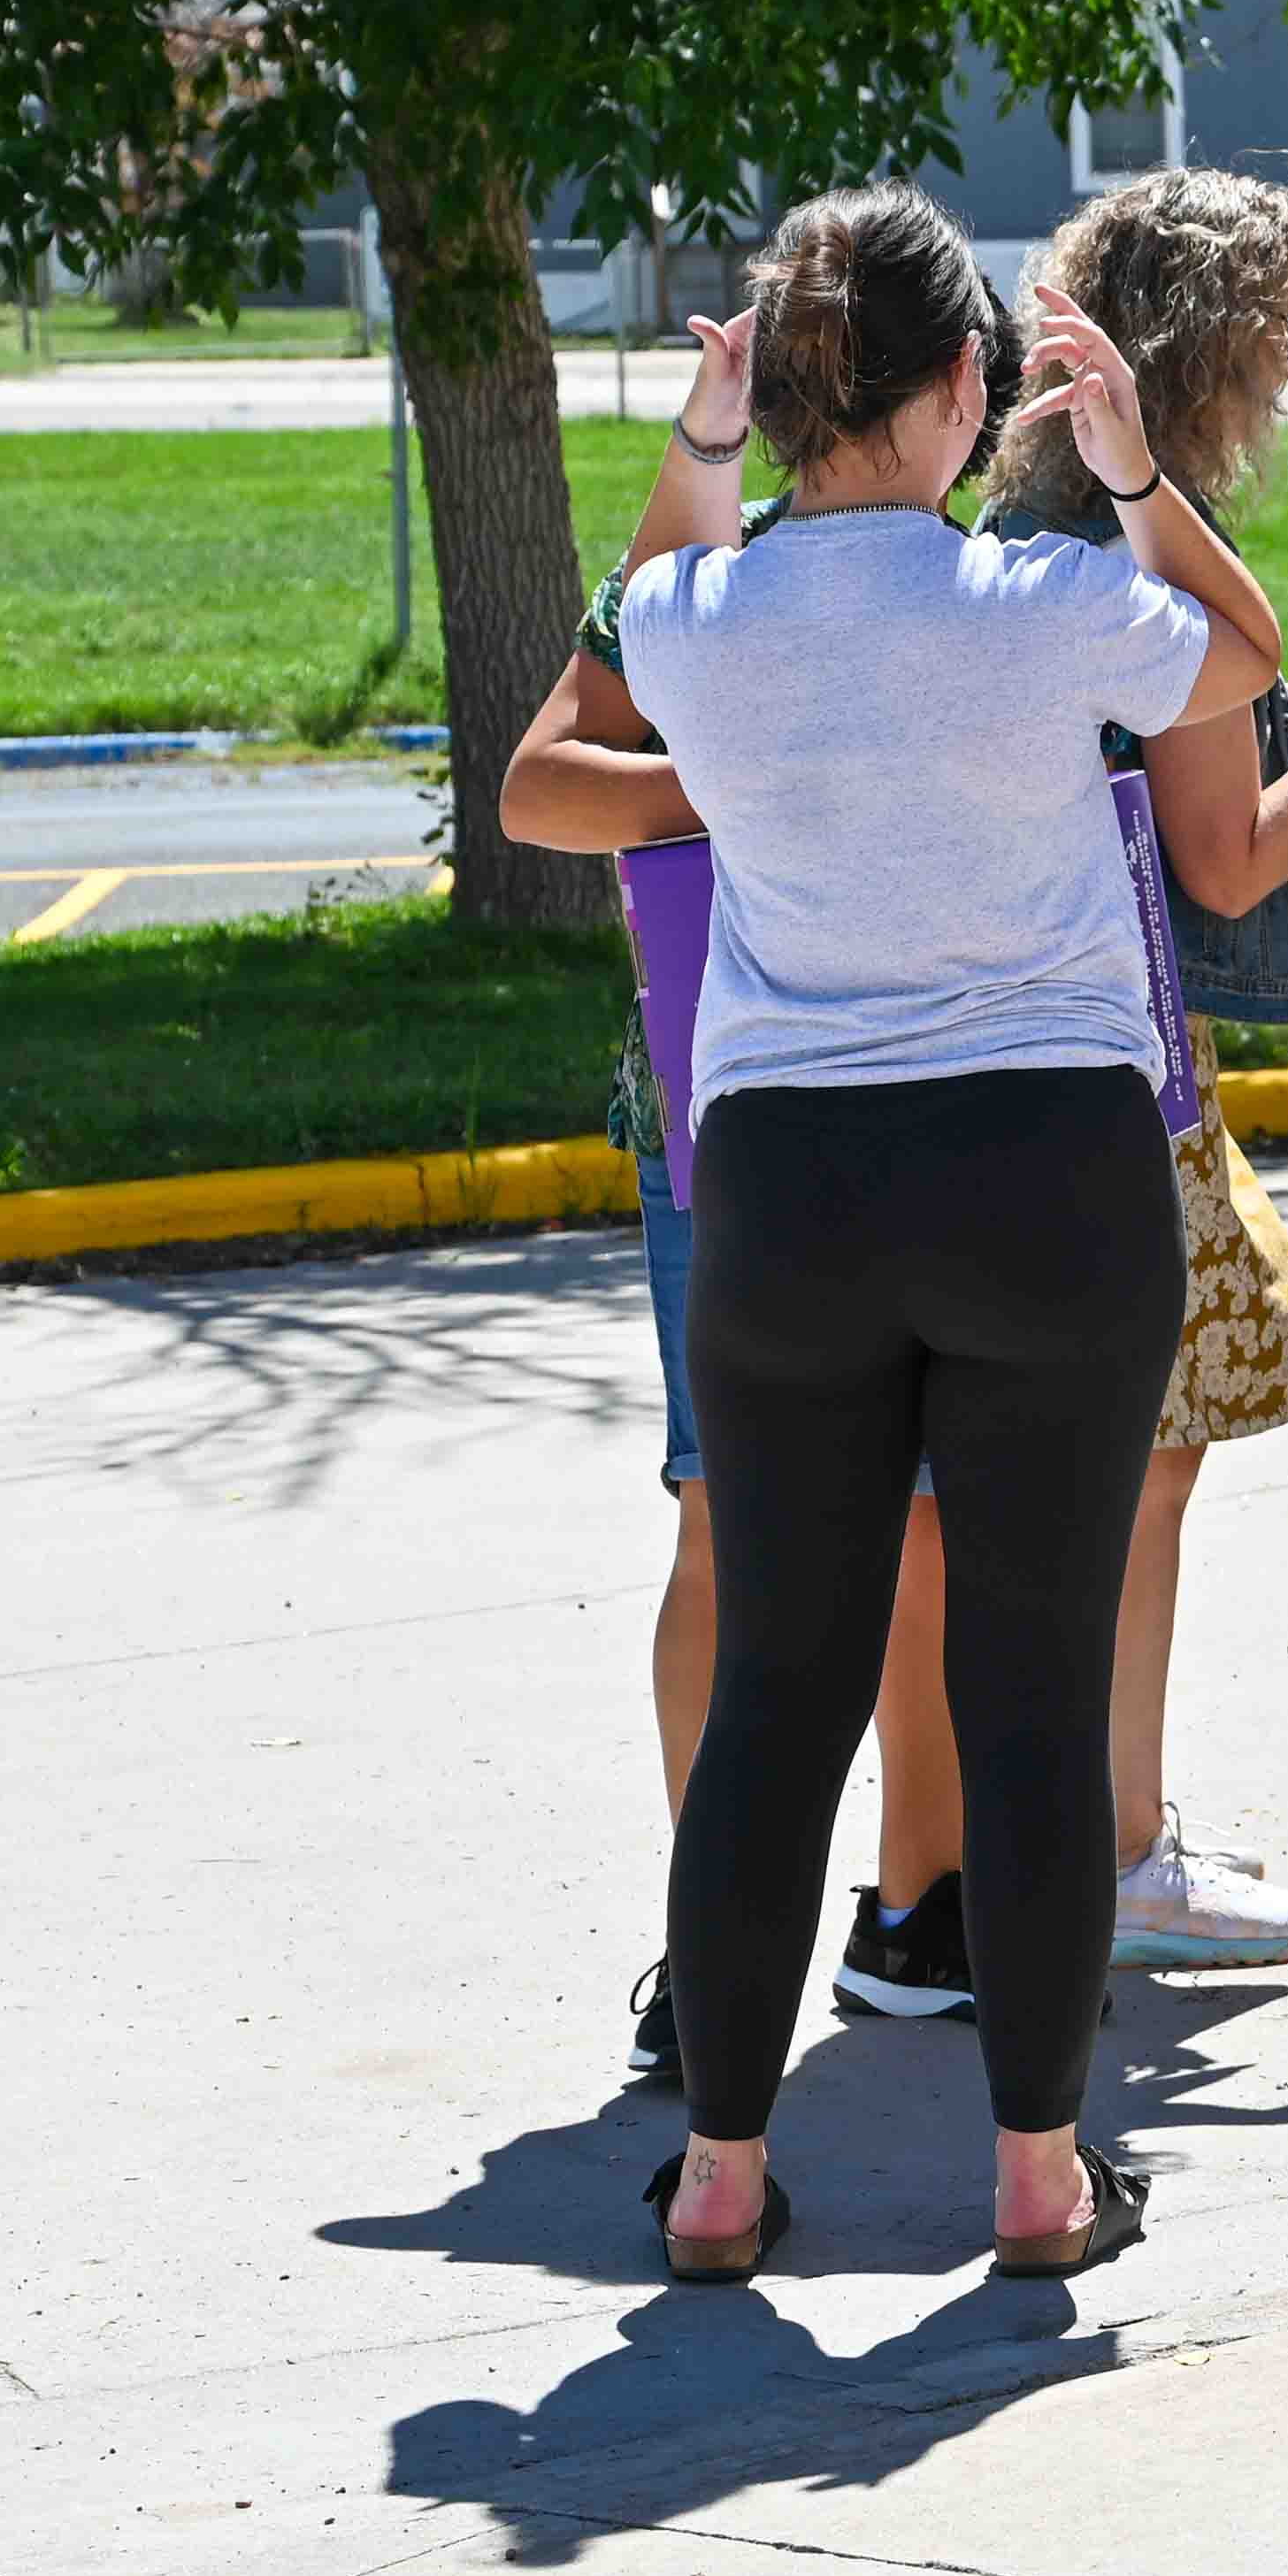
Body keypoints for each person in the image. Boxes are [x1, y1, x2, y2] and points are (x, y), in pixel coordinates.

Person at [532, 178, 1282, 2282]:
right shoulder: (1041, 599)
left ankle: (720, 2168)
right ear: (975, 389)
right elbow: (1241, 655)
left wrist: (695, 453)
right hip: (1046, 1168)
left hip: (789, 1182)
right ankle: (1040, 2168)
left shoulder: (700, 622)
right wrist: (1131, 465)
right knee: (1031, 1678)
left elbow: (609, 669)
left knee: (785, 1681)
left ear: (775, 395)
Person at [947, 166, 1288, 1968]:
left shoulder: (1026, 519)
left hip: (1000, 1053)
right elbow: (1231, 862)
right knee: (1139, 1468)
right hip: (1120, 1075)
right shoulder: (1153, 563)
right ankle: (1116, 1843)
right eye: (1285, 320)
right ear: (1209, 347)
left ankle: (1044, 1835)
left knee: (1074, 1474)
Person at [511, 322, 977, 2089]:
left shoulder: (986, 584)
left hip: (943, 1091)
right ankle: (714, 1939)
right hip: (726, 1102)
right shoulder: (710, 582)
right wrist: (737, 787)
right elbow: (547, 782)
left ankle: (922, 1904)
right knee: (727, 1518)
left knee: (935, 1528)